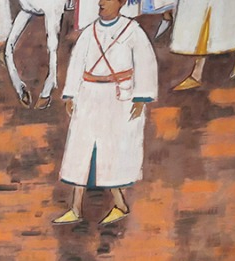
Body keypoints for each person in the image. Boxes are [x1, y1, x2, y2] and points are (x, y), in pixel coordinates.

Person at [54, 0, 159, 227]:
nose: (101, 2)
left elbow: (145, 63)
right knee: (81, 151)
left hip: (118, 100)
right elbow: (76, 64)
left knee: (112, 153)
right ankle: (75, 208)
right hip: (88, 96)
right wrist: (71, 94)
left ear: (121, 3)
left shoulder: (132, 31)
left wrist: (141, 97)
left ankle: (120, 205)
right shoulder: (89, 32)